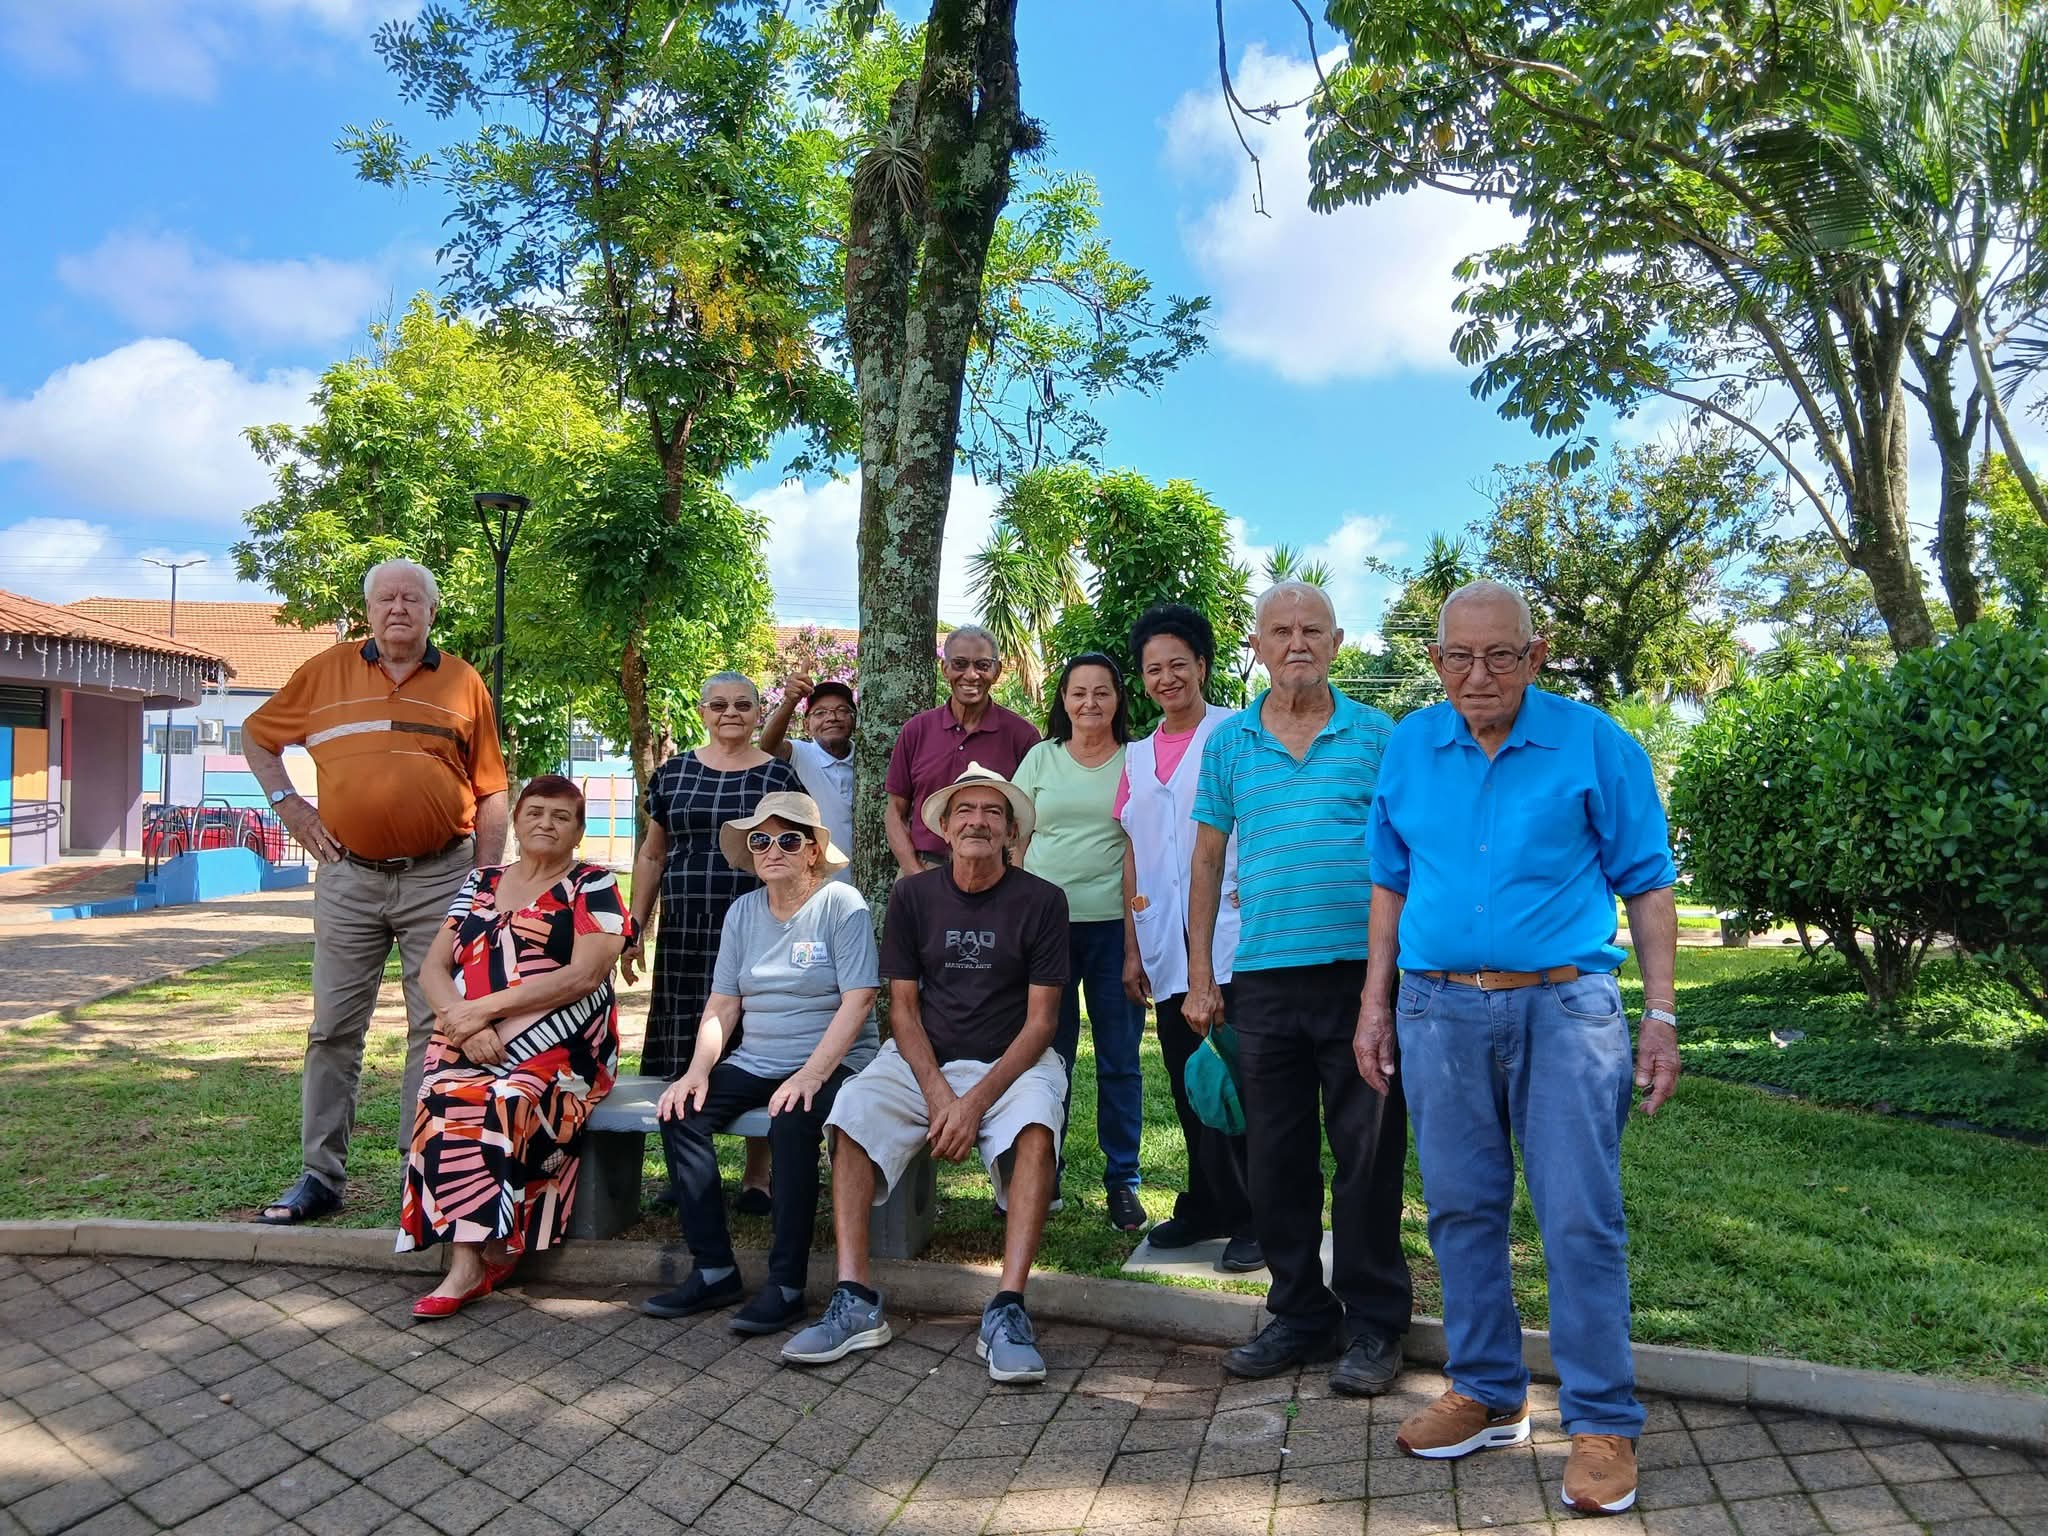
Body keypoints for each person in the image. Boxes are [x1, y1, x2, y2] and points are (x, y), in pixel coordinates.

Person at [1355, 579, 1680, 1517]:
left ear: (1537, 657)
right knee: (1459, 1208)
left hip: (1566, 1009)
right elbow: (1389, 885)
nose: (1479, 674)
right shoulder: (1412, 746)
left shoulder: (1594, 742)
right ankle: (1489, 1392)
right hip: (1437, 1010)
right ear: (1437, 661)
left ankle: (1603, 1421)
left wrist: (1660, 1017)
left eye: (1501, 655)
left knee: (1580, 1216)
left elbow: (1649, 885)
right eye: (1459, 656)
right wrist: (1375, 1006)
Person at [1186, 580, 1413, 1395]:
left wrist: (1384, 990)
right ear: (1257, 643)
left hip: (1363, 980)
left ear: (1337, 642)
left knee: (1368, 1155)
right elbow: (1207, 860)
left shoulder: (1378, 737)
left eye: (1312, 630)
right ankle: (1300, 1312)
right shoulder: (1230, 744)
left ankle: (1376, 1321)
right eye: (1280, 630)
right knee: (1277, 1158)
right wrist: (1202, 972)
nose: (1297, 643)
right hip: (1265, 982)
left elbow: (1403, 859)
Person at [783, 764, 1069, 1384]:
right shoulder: (914, 896)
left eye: (994, 813)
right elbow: (902, 1009)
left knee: (1037, 1129)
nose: (978, 822)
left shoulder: (1044, 901)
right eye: (966, 811)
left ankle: (1008, 1309)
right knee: (852, 1112)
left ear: (1011, 830)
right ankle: (855, 1299)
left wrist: (973, 1103)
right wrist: (941, 1092)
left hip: (1011, 1062)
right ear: (942, 826)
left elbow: (1043, 1023)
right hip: (922, 1062)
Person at [245, 558, 509, 1226]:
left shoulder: (462, 681)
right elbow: (258, 735)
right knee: (333, 1027)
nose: (399, 607)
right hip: (348, 876)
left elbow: (492, 791)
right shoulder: (325, 672)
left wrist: (483, 880)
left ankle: (417, 1172)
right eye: (386, 597)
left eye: (412, 598)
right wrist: (292, 810)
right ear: (368, 610)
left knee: (438, 1024)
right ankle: (320, 1176)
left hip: (441, 875)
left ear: (431, 611)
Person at [641, 792, 879, 1335]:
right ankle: (715, 1269)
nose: (774, 849)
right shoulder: (743, 911)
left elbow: (859, 999)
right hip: (757, 1059)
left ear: (814, 851)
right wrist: (697, 1070)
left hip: (836, 1062)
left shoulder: (843, 905)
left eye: (789, 839)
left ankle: (787, 1284)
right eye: (761, 840)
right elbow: (723, 1004)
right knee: (680, 1112)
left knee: (792, 1120)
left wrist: (812, 1074)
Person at [398, 777, 629, 1316]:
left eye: (561, 816)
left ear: (579, 830)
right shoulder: (480, 881)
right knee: (443, 1100)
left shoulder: (593, 884)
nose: (546, 823)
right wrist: (465, 1024)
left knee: (507, 1098)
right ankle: (467, 1264)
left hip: (564, 1040)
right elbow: (433, 966)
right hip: (468, 1033)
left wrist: (486, 1011)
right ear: (518, 819)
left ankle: (496, 1248)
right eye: (536, 811)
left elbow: (586, 974)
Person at [1115, 605, 1259, 1272]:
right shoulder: (1136, 756)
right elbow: (1132, 852)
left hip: (1233, 938)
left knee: (1247, 1080)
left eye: (1179, 663)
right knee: (1187, 1078)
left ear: (1202, 665)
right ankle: (1208, 1205)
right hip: (1164, 942)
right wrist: (1132, 946)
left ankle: (1261, 1214)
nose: (1166, 677)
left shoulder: (1239, 732)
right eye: (1153, 669)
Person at [623, 672, 799, 1213]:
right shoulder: (672, 774)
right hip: (684, 930)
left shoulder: (777, 776)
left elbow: (796, 853)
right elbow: (653, 855)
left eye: (743, 705)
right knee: (683, 1045)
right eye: (719, 704)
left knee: (757, 1043)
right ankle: (687, 1174)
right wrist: (636, 925)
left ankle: (757, 1176)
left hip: (757, 928)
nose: (731, 713)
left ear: (756, 713)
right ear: (702, 711)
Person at [1011, 652, 1145, 1230]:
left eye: (1102, 691)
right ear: (1062, 701)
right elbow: (1015, 833)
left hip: (1115, 929)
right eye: (1077, 692)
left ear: (1119, 698)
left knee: (1119, 1060)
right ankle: (1046, 1173)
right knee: (1048, 1056)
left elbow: (1143, 847)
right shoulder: (1041, 757)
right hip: (1046, 930)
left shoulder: (1136, 762)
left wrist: (1138, 946)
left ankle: (1123, 1181)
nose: (1089, 703)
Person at [884, 625, 1040, 873]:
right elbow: (894, 811)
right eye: (960, 664)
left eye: (982, 665)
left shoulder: (1022, 735)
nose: (971, 675)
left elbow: (1030, 817)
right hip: (925, 868)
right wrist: (914, 873)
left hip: (995, 874)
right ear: (945, 669)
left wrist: (1016, 871)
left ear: (997, 672)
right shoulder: (917, 730)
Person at [759, 677, 857, 878]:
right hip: (815, 886)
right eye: (820, 713)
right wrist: (790, 700)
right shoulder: (800, 753)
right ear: (806, 725)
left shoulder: (870, 761)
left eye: (842, 710)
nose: (832, 718)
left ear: (854, 719)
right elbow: (768, 746)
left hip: (869, 886)